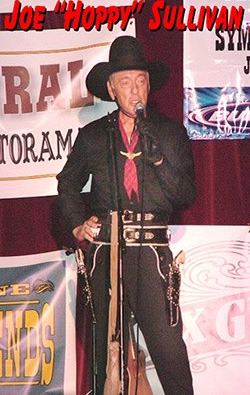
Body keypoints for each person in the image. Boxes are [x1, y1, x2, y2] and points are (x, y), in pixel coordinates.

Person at [57, 35, 196, 395]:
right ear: (111, 88)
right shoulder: (93, 136)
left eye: (140, 80)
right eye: (125, 81)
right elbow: (67, 184)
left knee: (168, 349)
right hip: (106, 251)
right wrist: (77, 223)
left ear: (149, 85)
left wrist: (159, 159)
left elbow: (185, 196)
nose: (134, 88)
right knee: (111, 354)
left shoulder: (170, 132)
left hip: (151, 255)